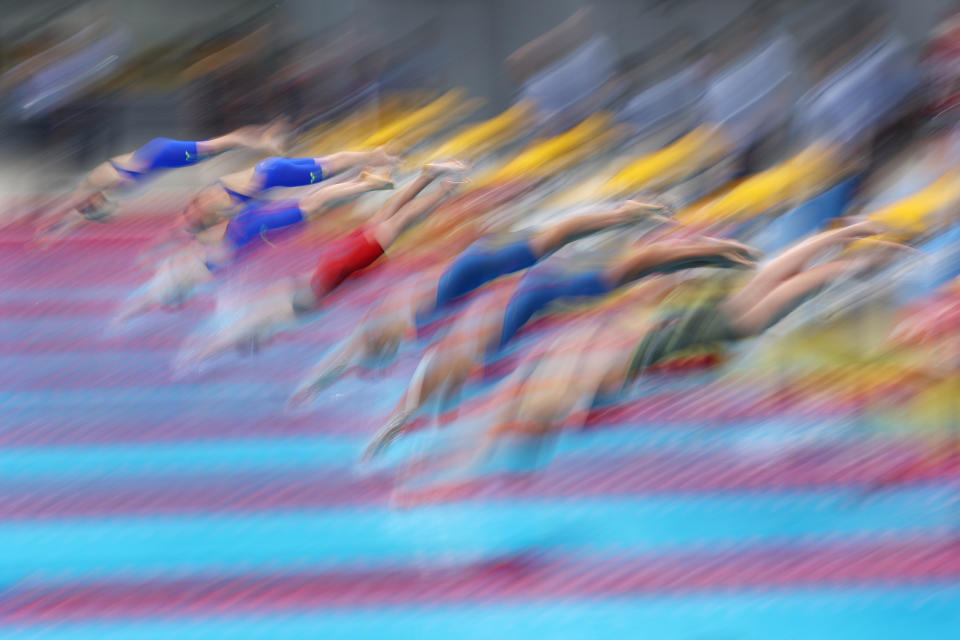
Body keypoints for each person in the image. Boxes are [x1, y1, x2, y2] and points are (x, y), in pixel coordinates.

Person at [389, 221, 907, 488]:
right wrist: (428, 462)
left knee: (771, 299)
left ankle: (853, 253)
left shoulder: (561, 390)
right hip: (666, 333)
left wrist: (433, 469)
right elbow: (485, 434)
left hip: (681, 340)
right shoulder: (551, 379)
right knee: (765, 288)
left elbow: (486, 438)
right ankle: (849, 239)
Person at [358, 234, 758, 460]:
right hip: (544, 327)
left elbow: (654, 262)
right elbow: (655, 261)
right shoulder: (584, 298)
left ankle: (408, 429)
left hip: (546, 322)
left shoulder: (563, 305)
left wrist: (716, 255)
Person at [289, 199, 676, 403]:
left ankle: (622, 217)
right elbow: (346, 357)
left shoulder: (407, 325)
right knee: (558, 243)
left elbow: (347, 357)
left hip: (481, 266)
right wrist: (316, 383)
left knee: (558, 239)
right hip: (480, 265)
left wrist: (317, 383)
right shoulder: (405, 325)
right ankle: (623, 219)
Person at [178, 160, 468, 364]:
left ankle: (444, 188)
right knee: (388, 216)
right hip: (331, 263)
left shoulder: (263, 319)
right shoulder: (265, 308)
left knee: (399, 222)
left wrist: (203, 352)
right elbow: (276, 293)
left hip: (337, 271)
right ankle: (427, 177)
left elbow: (229, 338)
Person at [115, 168, 395, 321]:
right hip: (249, 221)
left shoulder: (199, 269)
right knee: (315, 202)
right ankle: (359, 181)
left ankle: (362, 184)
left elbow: (218, 263)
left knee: (314, 203)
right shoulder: (195, 258)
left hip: (252, 229)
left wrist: (126, 314)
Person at [36, 120, 292, 240]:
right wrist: (56, 231)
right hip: (164, 159)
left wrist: (52, 220)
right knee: (220, 146)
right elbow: (79, 214)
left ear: (93, 200)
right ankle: (266, 134)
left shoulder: (99, 183)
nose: (103, 203)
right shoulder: (102, 192)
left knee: (220, 145)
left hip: (160, 155)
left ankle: (267, 138)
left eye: (98, 205)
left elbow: (77, 204)